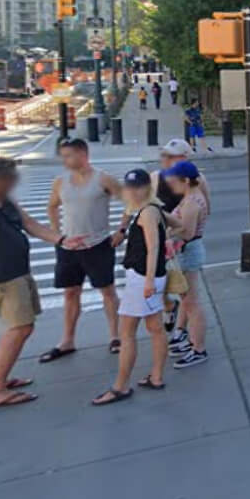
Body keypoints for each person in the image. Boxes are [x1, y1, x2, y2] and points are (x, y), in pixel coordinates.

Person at [0, 152, 69, 410]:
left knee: (23, 327)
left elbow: (29, 224)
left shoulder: (4, 201)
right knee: (20, 328)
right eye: (9, 179)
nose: (13, 184)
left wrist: (62, 240)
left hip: (18, 272)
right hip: (1, 277)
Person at [41, 138, 123, 361]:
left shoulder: (103, 179)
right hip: (69, 247)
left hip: (98, 245)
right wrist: (58, 235)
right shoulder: (60, 181)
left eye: (68, 155)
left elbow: (130, 201)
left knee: (107, 291)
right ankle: (67, 340)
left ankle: (115, 337)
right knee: (70, 292)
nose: (64, 160)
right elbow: (51, 206)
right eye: (63, 156)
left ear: (82, 154)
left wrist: (121, 230)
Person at [93, 168, 169, 404]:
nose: (134, 192)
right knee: (156, 327)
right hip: (153, 276)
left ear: (148, 187)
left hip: (142, 278)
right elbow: (179, 225)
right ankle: (156, 377)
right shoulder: (154, 209)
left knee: (127, 334)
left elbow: (154, 247)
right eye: (130, 187)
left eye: (138, 187)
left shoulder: (147, 213)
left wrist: (147, 281)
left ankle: (120, 387)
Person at [163, 159, 210, 366]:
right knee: (187, 301)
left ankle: (198, 349)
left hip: (187, 252)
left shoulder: (191, 202)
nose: (171, 183)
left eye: (174, 180)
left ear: (185, 180)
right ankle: (191, 341)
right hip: (187, 252)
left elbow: (188, 232)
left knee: (191, 303)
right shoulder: (190, 197)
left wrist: (168, 231)